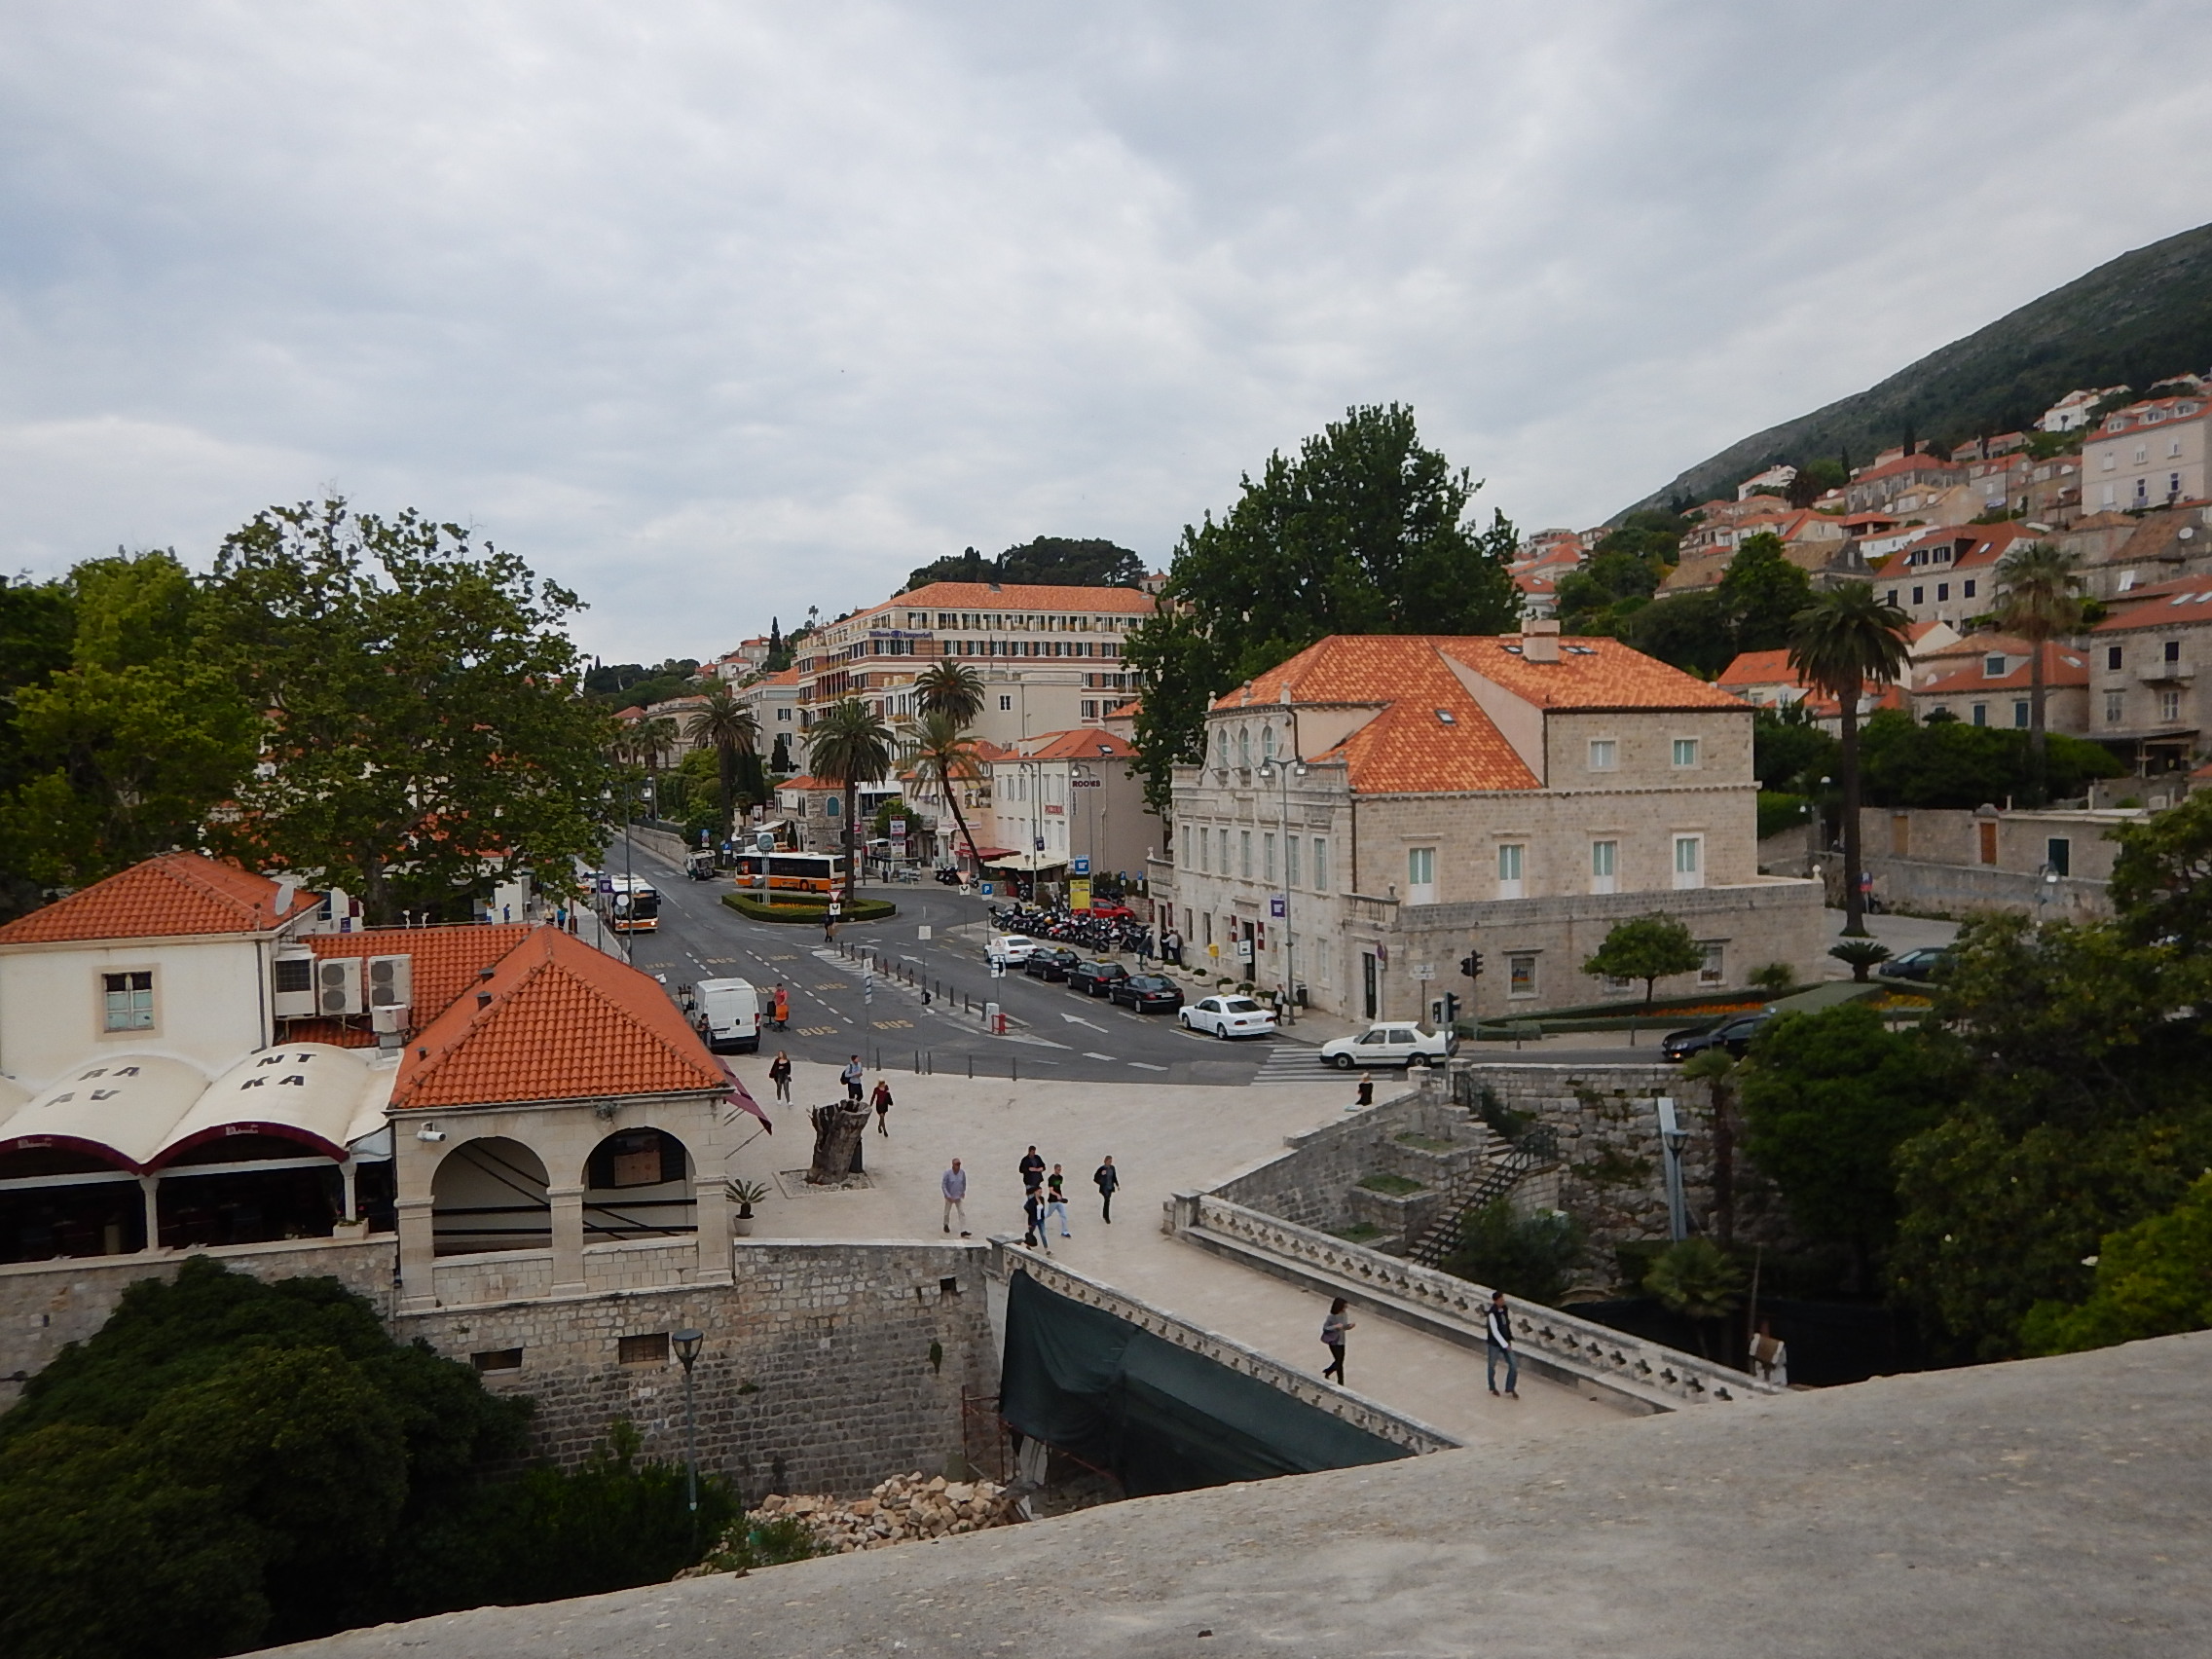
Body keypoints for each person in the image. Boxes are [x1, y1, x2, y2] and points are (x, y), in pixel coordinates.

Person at [1486, 1289, 1519, 1398]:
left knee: (1513, 1365)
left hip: (1506, 1340)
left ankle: (1510, 1387)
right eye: (1500, 1299)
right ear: (1496, 1301)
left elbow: (1506, 1324)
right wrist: (1505, 1345)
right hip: (1495, 1343)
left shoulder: (1504, 1309)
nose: (1503, 1301)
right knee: (1492, 1366)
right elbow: (1494, 1331)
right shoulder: (1492, 1313)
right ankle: (1492, 1386)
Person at [1321, 1297, 1353, 1383]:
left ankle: (1328, 1371)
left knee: (1340, 1361)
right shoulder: (1331, 1317)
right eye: (1344, 1307)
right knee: (1339, 1362)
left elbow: (1343, 1327)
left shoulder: (1344, 1315)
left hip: (1342, 1340)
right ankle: (1340, 1382)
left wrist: (1349, 1327)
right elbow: (1325, 1328)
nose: (1345, 1309)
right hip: (1334, 1341)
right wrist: (1335, 1326)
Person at [1750, 1318, 1788, 1386]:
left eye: (1765, 1329)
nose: (1763, 1331)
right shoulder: (1756, 1344)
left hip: (1776, 1382)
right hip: (1760, 1381)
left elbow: (1779, 1362)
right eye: (1761, 1329)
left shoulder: (1779, 1348)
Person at [940, 1159, 970, 1235]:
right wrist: (948, 1195)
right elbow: (944, 1185)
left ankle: (963, 1230)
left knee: (961, 1212)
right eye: (957, 1164)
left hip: (958, 1196)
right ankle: (946, 1224)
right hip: (949, 1196)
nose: (958, 1166)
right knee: (947, 1212)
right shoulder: (947, 1173)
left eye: (959, 1164)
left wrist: (963, 1192)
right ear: (953, 1165)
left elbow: (964, 1183)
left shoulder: (962, 1173)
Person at [1044, 1164, 1071, 1237]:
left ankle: (1065, 1232)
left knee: (1064, 1215)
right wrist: (1057, 1195)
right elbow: (1051, 1190)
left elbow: (1058, 1187)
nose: (1059, 1171)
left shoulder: (1060, 1178)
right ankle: (1039, 1221)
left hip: (1059, 1200)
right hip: (1053, 1200)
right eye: (1058, 1169)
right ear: (1055, 1169)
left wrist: (1060, 1197)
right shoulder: (1051, 1178)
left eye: (1060, 1169)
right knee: (1048, 1214)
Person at [1022, 1186, 1051, 1253]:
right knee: (1031, 1233)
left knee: (1043, 1234)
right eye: (1039, 1192)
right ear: (1035, 1192)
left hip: (1041, 1220)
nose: (1040, 1193)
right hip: (1034, 1220)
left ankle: (1047, 1249)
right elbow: (1027, 1209)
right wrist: (1029, 1223)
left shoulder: (1042, 1199)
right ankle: (1028, 1245)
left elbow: (1042, 1208)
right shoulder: (1031, 1201)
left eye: (1041, 1192)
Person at [1093, 1155, 1120, 1224]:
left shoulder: (1112, 1168)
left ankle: (1104, 1215)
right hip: (1104, 1188)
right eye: (1109, 1161)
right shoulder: (1101, 1169)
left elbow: (1114, 1177)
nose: (1110, 1163)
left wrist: (1117, 1185)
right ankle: (1106, 1217)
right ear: (1105, 1161)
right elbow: (1095, 1178)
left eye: (1111, 1161)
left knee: (1107, 1201)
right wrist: (1101, 1182)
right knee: (1107, 1200)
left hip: (1110, 1187)